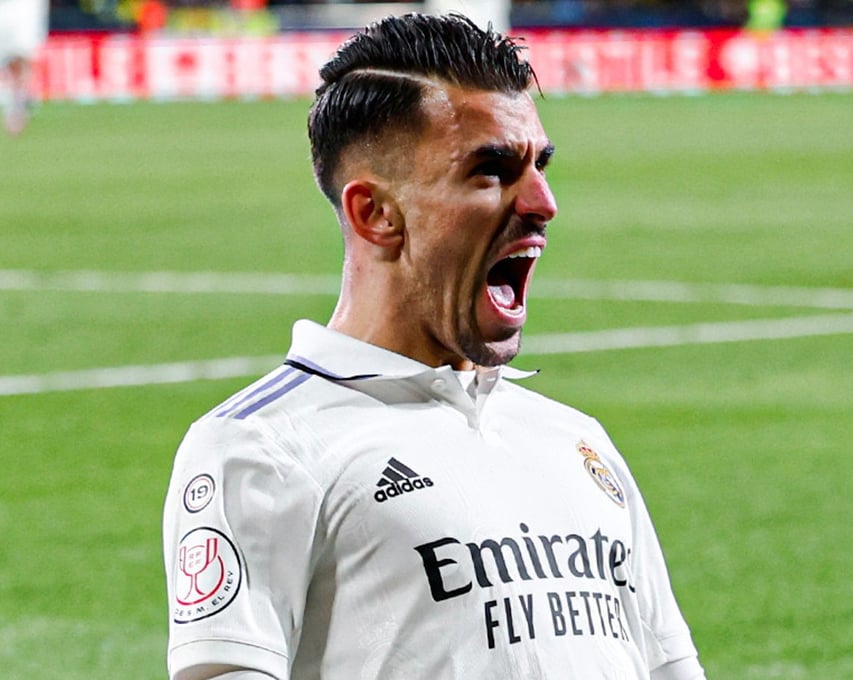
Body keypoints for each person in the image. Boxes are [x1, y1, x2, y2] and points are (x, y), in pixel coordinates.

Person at [162, 13, 706, 680]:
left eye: (540, 165)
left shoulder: (575, 442)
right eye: (491, 171)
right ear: (375, 214)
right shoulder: (263, 448)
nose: (543, 202)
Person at [0, 0, 48, 135]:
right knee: (8, 57)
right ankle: (17, 98)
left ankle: (18, 104)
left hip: (25, 4)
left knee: (21, 53)